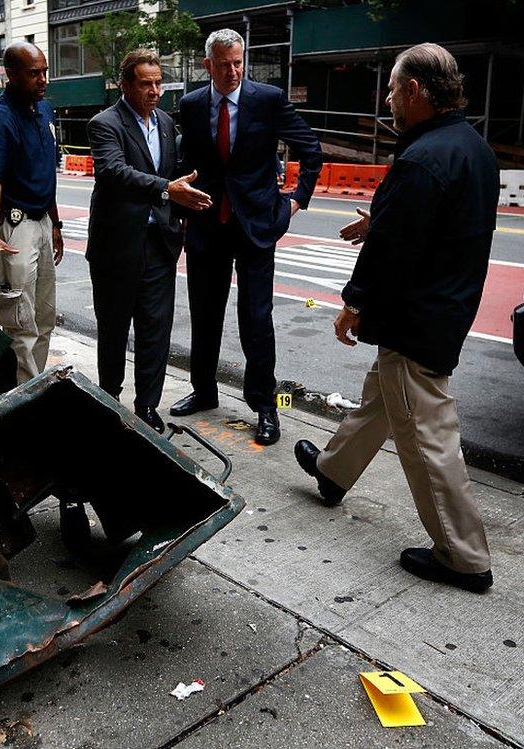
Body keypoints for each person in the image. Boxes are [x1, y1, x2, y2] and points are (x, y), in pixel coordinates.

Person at [293, 43, 499, 593]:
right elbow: (428, 225)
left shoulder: (423, 158)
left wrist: (353, 303)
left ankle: (463, 556)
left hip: (418, 314)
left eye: (392, 90)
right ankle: (334, 472)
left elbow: (396, 251)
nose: (387, 100)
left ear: (414, 92)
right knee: (383, 396)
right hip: (446, 303)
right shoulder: (470, 147)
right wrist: (377, 222)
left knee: (427, 433)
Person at [173, 28, 323, 446]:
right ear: (208, 65)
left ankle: (265, 406)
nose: (233, 70)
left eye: (238, 62)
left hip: (256, 226)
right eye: (224, 64)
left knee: (256, 319)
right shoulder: (191, 104)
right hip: (207, 225)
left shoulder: (267, 99)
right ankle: (204, 391)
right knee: (205, 313)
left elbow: (311, 149)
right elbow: (188, 162)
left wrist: (295, 202)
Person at [86, 49, 212, 432]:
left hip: (160, 244)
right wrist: (166, 190)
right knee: (113, 330)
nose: (155, 90)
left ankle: (147, 407)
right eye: (146, 83)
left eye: (158, 82)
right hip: (117, 248)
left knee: (155, 331)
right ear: (125, 84)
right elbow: (113, 171)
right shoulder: (104, 123)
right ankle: (110, 399)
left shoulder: (165, 122)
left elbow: (174, 173)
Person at [0, 41, 64, 385]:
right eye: (34, 73)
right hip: (16, 229)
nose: (43, 79)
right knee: (20, 322)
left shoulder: (44, 111)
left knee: (44, 318)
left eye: (44, 71)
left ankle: (33, 388)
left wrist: (55, 223)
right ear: (10, 75)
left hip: (42, 220)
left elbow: (47, 173)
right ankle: (22, 403)